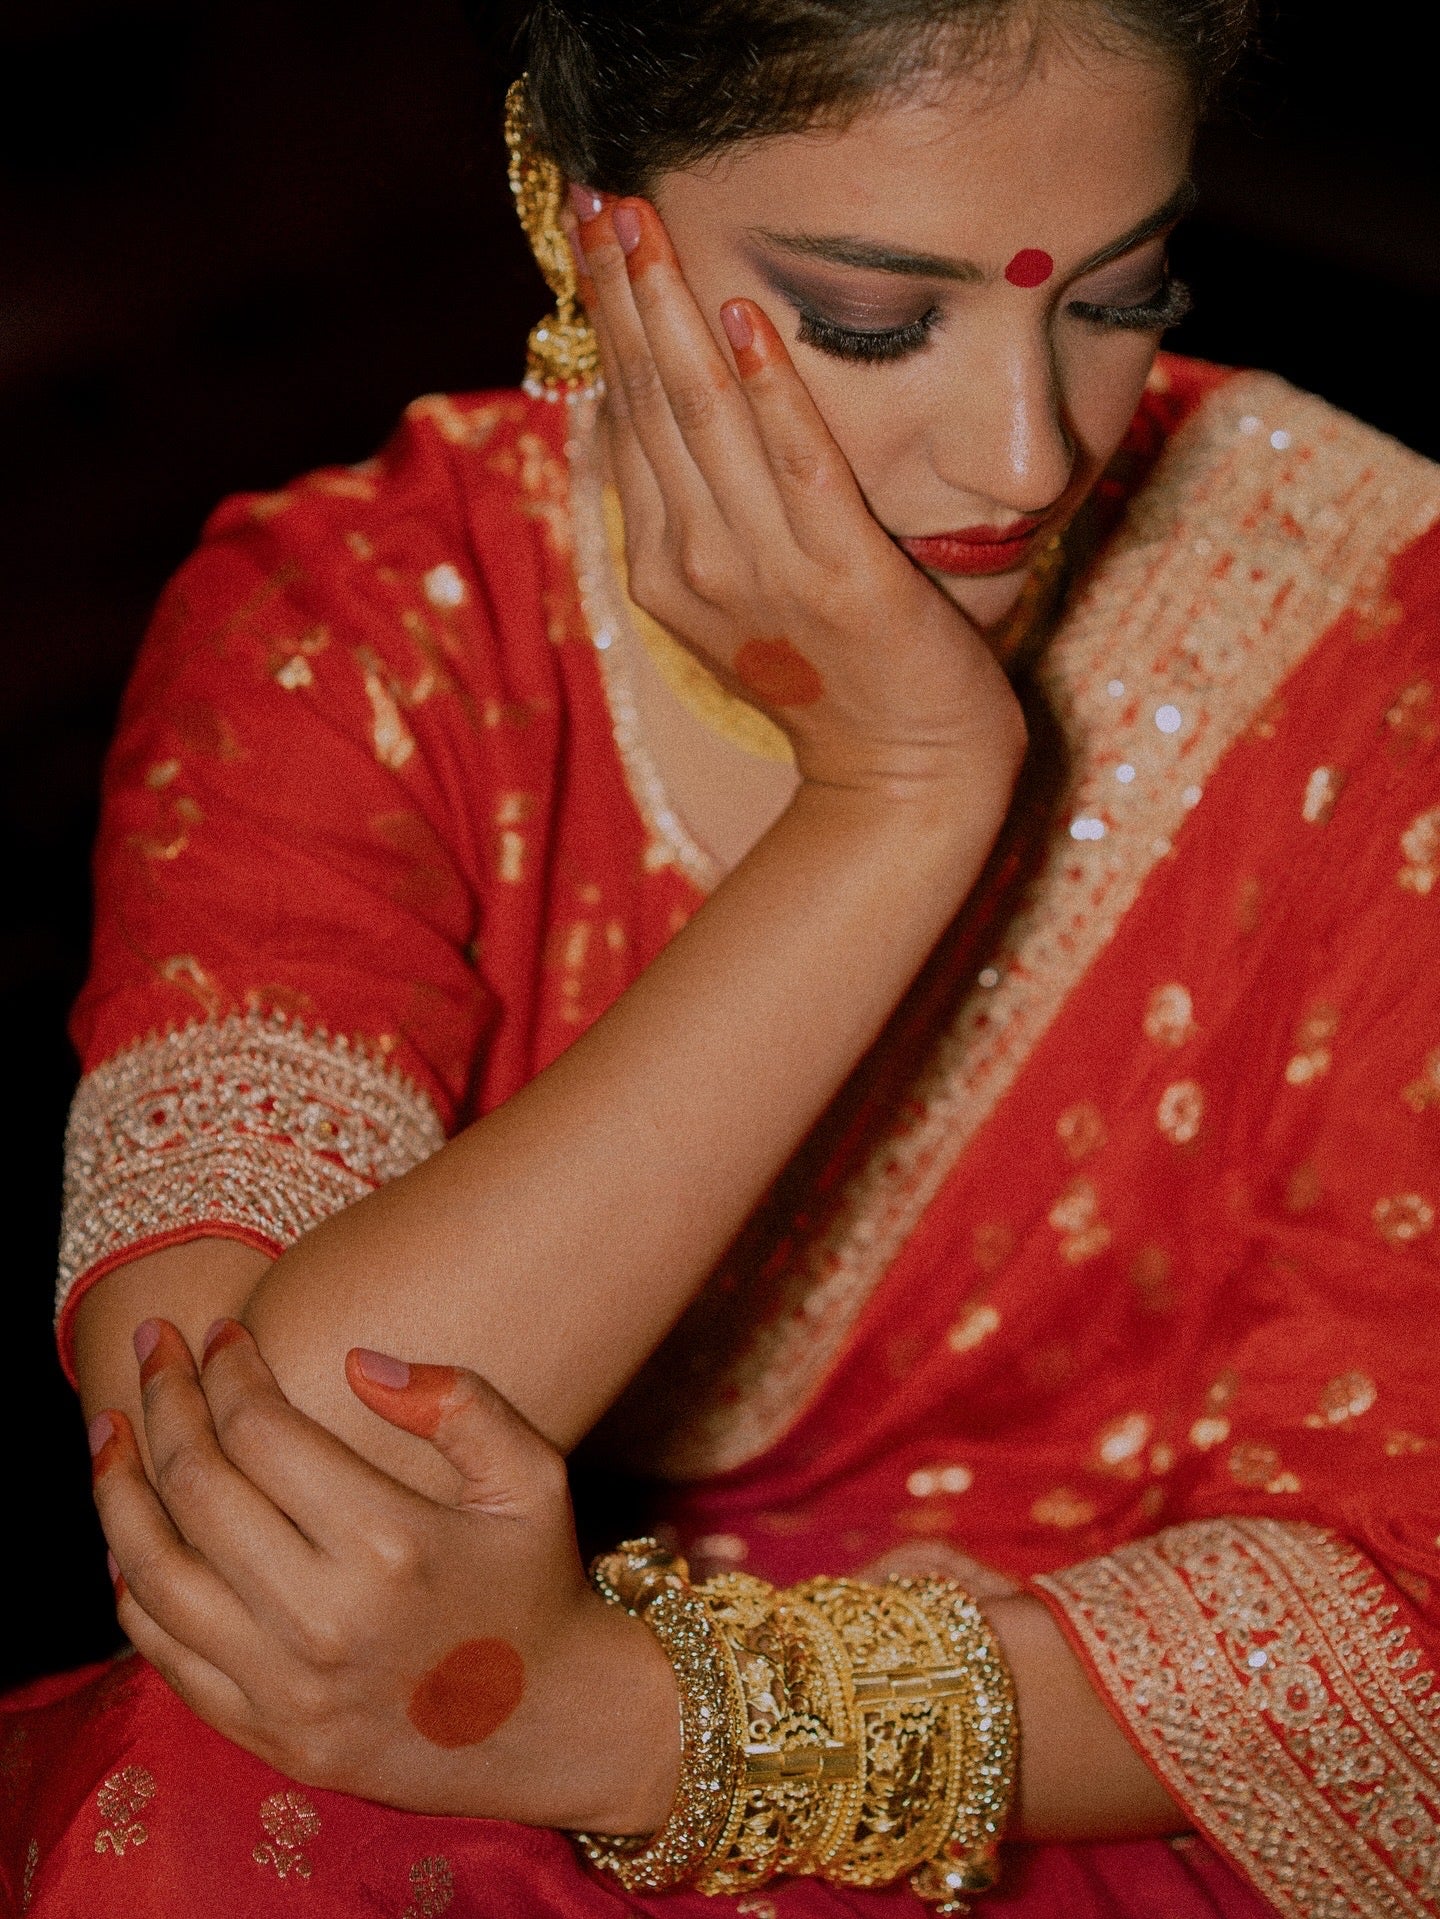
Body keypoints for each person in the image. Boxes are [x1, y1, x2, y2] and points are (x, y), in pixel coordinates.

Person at [4, 0, 1438, 1910]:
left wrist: (620, 1713)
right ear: (577, 218)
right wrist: (899, 800)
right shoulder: (363, 633)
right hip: (418, 1725)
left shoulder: (1379, 636)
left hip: (1119, 1788)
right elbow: (253, 1503)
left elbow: (1391, 1656)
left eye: (1120, 296)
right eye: (870, 316)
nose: (1026, 453)